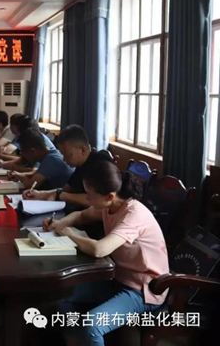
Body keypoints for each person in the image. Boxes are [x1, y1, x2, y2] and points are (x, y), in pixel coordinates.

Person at [48, 161, 168, 346]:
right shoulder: (109, 206)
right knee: (64, 300)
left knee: (92, 326)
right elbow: (81, 215)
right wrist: (60, 224)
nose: (88, 199)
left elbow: (100, 249)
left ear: (110, 196)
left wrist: (69, 235)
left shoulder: (134, 214)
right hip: (118, 278)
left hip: (144, 289)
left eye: (91, 195)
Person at [24, 125, 114, 208]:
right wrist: (40, 194)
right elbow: (65, 190)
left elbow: (99, 200)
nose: (64, 159)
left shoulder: (100, 164)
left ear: (83, 150)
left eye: (67, 155)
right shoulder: (81, 165)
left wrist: (64, 196)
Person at [9, 128, 74, 190]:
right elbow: (36, 173)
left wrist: (21, 177)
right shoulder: (51, 154)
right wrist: (19, 175)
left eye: (22, 152)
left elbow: (30, 185)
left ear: (32, 151)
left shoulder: (51, 160)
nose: (22, 155)